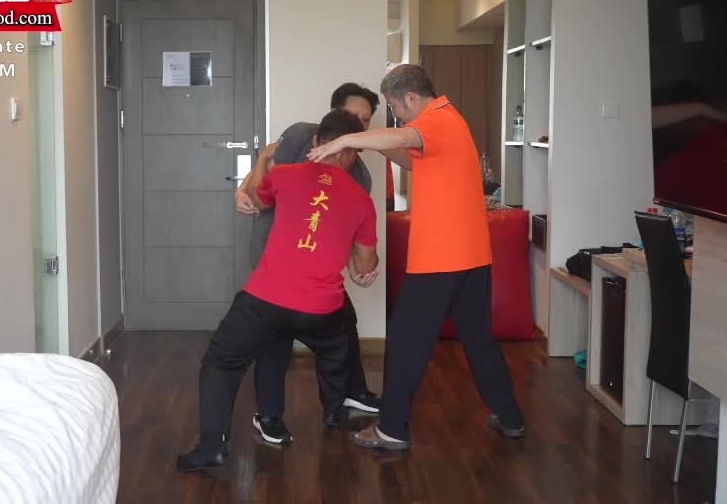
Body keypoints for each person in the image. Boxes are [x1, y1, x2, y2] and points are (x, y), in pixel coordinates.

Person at [308, 64, 525, 451]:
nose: (397, 115)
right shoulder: (451, 121)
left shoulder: (436, 120)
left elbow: (405, 135)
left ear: (410, 97)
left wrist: (345, 140)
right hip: (472, 256)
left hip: (440, 258)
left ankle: (391, 430)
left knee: (406, 343)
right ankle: (510, 418)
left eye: (394, 106)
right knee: (479, 342)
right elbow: (412, 157)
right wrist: (371, 145)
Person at [177, 110, 379, 471]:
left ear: (316, 142)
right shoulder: (362, 199)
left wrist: (263, 160)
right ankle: (335, 410)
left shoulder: (285, 174)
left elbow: (257, 201)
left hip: (266, 300)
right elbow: (364, 267)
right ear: (352, 151)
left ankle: (212, 448)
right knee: (338, 345)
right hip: (321, 311)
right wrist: (361, 260)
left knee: (221, 360)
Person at [234, 83, 382, 445]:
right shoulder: (302, 135)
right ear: (332, 116)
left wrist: (355, 268)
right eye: (353, 115)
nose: (358, 125)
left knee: (343, 321)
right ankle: (269, 415)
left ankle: (348, 394)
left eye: (365, 120)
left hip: (313, 269)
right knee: (277, 336)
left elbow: (350, 232)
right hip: (273, 253)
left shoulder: (360, 176)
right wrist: (242, 188)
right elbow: (267, 175)